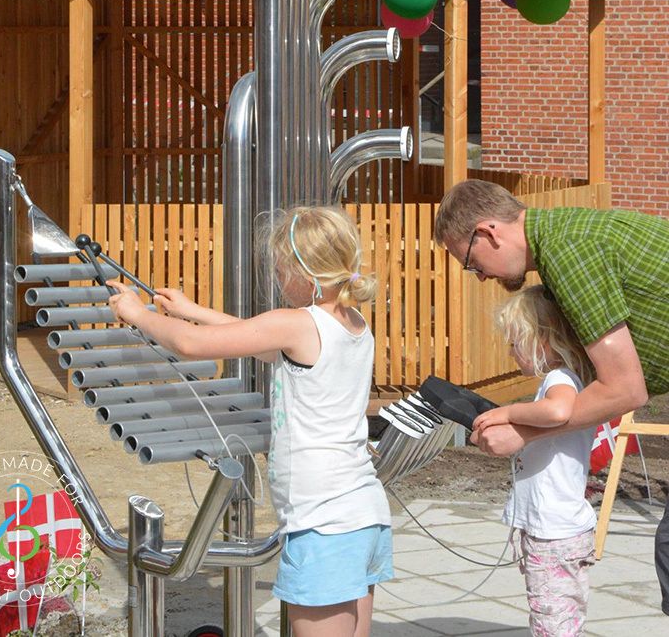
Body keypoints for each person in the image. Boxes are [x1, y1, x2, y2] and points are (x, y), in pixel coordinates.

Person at [107, 204, 392, 637]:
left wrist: (137, 314)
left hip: (324, 524)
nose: (277, 280)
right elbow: (252, 335)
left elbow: (190, 344)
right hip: (363, 514)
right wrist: (191, 308)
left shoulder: (298, 324)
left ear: (304, 272)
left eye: (280, 270)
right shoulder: (351, 322)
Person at [434, 179, 669, 616]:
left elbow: (624, 388)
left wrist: (522, 431)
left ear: (488, 233)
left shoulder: (569, 250)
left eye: (469, 262)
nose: (480, 275)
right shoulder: (566, 236)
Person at [483, 284, 597, 635]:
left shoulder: (558, 378)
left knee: (552, 621)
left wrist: (509, 413)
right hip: (558, 528)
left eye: (515, 342)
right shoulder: (569, 379)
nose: (510, 351)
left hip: (553, 533)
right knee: (559, 615)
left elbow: (559, 409)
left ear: (543, 340)